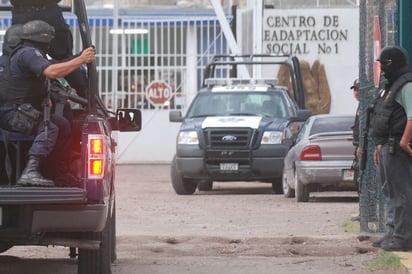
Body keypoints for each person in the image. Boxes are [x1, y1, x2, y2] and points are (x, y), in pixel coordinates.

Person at [0, 20, 95, 187]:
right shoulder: (28, 53)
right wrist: (81, 59)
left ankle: (57, 172)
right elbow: (52, 71)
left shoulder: (26, 53)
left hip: (19, 111)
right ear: (43, 39)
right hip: (13, 114)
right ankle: (30, 172)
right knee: (49, 128)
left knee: (62, 125)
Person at [369, 45, 412, 251]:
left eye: (384, 64)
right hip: (387, 146)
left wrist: (404, 141)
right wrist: (379, 144)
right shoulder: (390, 86)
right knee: (390, 192)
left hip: (397, 147)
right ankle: (393, 233)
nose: (382, 70)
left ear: (392, 64)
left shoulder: (406, 85)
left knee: (401, 193)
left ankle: (403, 238)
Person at [10, 0, 88, 97]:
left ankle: (88, 100)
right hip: (32, 11)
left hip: (43, 10)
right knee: (19, 59)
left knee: (66, 59)